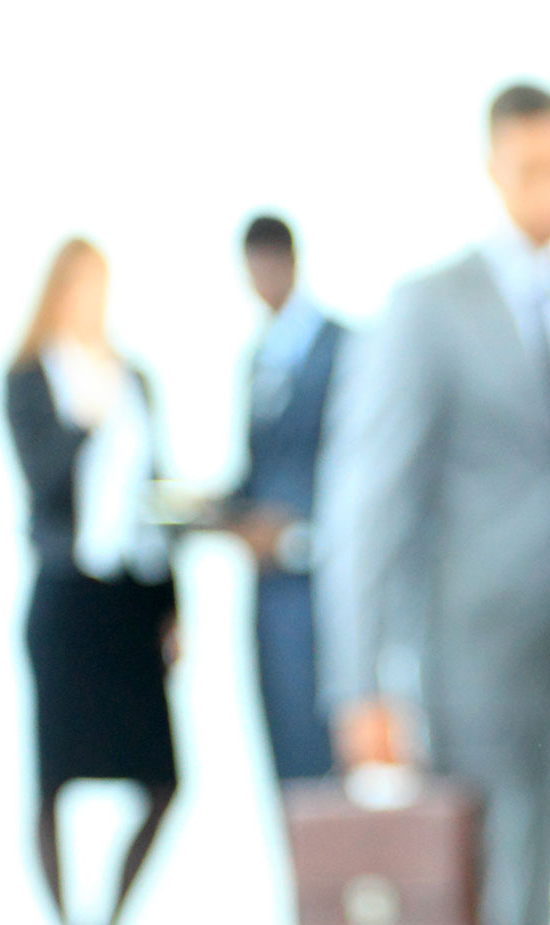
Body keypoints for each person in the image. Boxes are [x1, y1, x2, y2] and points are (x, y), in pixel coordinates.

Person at [315, 82, 550, 925]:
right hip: (464, 652)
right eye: (529, 168)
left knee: (536, 876)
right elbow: (367, 499)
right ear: (493, 167)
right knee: (469, 882)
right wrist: (357, 682)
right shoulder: (429, 305)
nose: (547, 187)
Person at [3, 238, 178, 925]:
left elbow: (154, 496)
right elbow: (40, 479)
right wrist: (85, 421)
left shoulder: (133, 376)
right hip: (68, 594)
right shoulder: (30, 376)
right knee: (53, 777)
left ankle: (105, 916)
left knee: (163, 778)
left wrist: (171, 604)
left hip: (131, 595)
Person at [208, 213, 346, 780]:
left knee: (327, 750)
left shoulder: (342, 349)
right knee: (284, 749)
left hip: (326, 580)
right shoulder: (257, 358)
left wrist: (296, 528)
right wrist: (217, 513)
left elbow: (359, 464)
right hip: (271, 591)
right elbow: (256, 465)